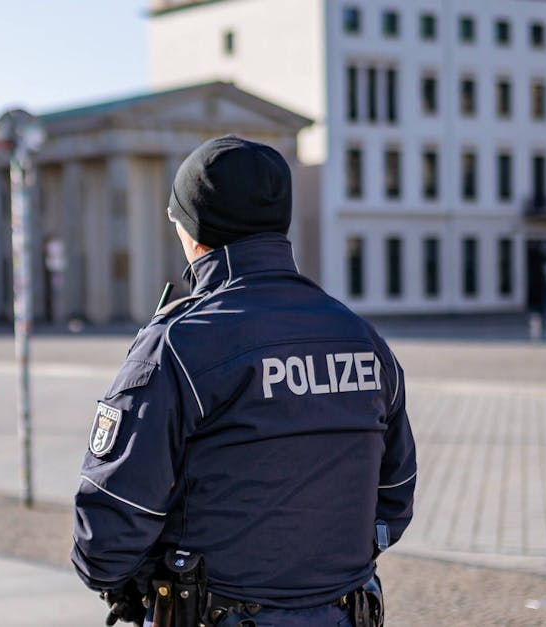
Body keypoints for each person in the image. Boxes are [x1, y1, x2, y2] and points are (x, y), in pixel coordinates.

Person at [71, 136, 416, 627]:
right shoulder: (361, 337)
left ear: (193, 230)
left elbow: (107, 532)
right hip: (344, 613)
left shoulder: (180, 344)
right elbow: (395, 494)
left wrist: (147, 578)